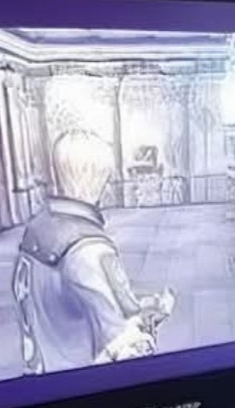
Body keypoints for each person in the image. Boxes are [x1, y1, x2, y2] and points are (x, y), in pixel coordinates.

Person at [12, 129, 175, 374]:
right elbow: (126, 345)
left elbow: (64, 304)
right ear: (99, 178)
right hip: (80, 385)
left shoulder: (39, 227)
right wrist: (150, 322)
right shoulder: (89, 248)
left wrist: (142, 304)